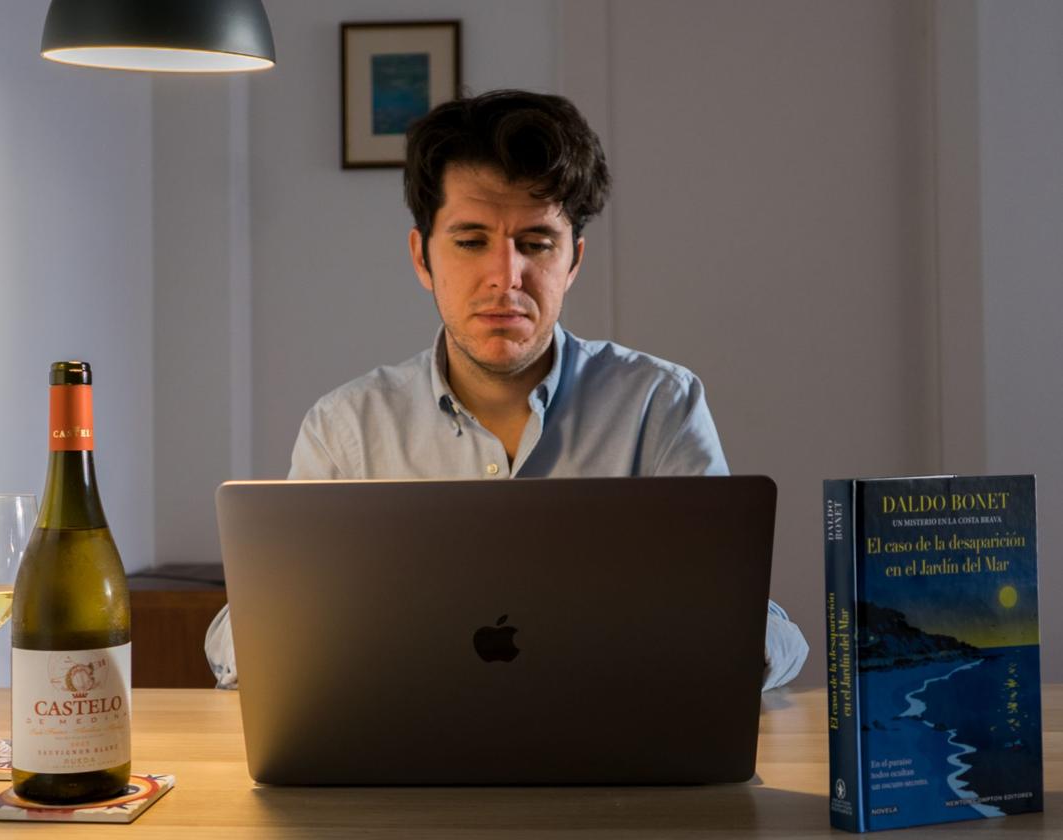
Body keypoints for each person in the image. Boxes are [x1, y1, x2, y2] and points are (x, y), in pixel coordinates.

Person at [206, 89, 808, 690]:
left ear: (573, 261)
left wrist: (726, 636)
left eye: (536, 243)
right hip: (409, 763)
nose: (505, 276)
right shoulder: (348, 427)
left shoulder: (659, 405)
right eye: (470, 242)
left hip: (609, 766)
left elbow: (765, 632)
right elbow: (236, 642)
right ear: (422, 258)